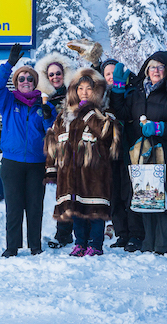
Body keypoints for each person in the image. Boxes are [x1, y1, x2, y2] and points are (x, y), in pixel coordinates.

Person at [109, 51, 167, 254]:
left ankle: (162, 245)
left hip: (166, 154)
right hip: (141, 155)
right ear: (146, 69)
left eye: (160, 67)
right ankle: (148, 243)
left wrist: (161, 128)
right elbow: (121, 113)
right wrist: (118, 90)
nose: (156, 71)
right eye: (152, 66)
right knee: (145, 197)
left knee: (164, 197)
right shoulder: (137, 94)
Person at [44, 68, 121, 257]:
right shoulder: (65, 114)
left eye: (88, 88)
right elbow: (53, 139)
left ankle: (95, 244)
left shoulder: (104, 111)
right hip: (71, 172)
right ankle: (79, 243)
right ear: (74, 90)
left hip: (95, 171)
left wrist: (89, 114)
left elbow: (108, 134)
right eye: (80, 89)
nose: (84, 92)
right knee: (76, 209)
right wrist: (52, 168)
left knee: (95, 210)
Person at [0, 43, 55, 257]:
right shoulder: (7, 101)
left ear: (35, 82)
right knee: (14, 207)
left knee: (35, 206)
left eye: (29, 78)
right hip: (12, 163)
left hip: (37, 163)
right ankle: (12, 247)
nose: (25, 81)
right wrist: (9, 65)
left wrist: (47, 117)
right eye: (21, 78)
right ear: (16, 83)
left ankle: (35, 245)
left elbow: (52, 132)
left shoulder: (44, 104)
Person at [99, 58, 143, 249]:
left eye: (113, 73)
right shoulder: (100, 96)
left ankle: (135, 234)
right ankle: (121, 233)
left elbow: (125, 114)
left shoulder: (133, 92)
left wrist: (118, 92)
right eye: (107, 74)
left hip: (129, 148)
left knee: (129, 191)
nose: (110, 77)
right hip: (108, 152)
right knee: (113, 193)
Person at [35, 52, 76, 248]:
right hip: (59, 151)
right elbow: (47, 129)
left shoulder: (76, 93)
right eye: (50, 75)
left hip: (79, 148)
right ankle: (64, 233)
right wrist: (46, 115)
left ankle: (84, 233)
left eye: (58, 73)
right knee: (63, 191)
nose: (55, 77)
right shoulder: (45, 100)